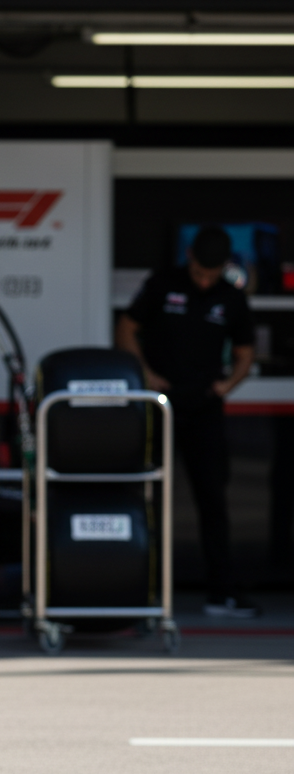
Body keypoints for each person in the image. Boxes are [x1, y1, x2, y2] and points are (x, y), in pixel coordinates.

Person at [116, 224, 258, 617]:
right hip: (161, 404)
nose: (205, 281)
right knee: (150, 496)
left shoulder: (231, 297)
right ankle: (143, 590)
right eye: (199, 272)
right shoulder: (163, 284)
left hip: (204, 408)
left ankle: (222, 592)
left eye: (212, 274)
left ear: (225, 266)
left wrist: (226, 385)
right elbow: (126, 329)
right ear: (189, 256)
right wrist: (146, 375)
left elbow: (246, 352)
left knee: (212, 498)